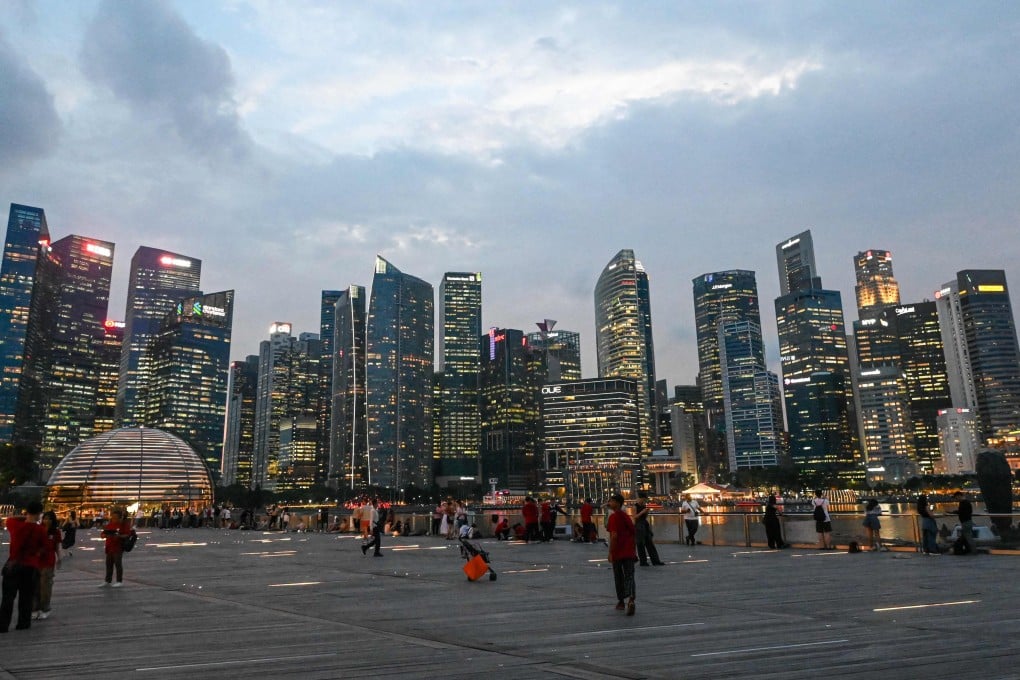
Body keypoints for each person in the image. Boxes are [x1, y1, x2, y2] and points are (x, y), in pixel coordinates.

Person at [1, 500, 47, 632]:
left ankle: (3, 625)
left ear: (27, 511)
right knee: (26, 597)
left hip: (13, 565)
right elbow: (45, 547)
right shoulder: (40, 530)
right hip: (30, 566)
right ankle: (23, 623)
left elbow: (9, 519)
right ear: (39, 513)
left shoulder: (15, 525)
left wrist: (26, 517)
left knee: (8, 598)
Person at [606, 494, 637, 616]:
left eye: (612, 501)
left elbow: (614, 536)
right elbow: (632, 532)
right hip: (629, 551)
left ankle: (621, 601)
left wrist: (610, 552)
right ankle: (631, 599)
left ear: (618, 503)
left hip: (618, 551)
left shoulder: (614, 517)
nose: (609, 503)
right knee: (630, 575)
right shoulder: (626, 516)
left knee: (618, 576)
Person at [34, 510, 62, 620]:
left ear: (53, 520)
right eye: (45, 518)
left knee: (45, 586)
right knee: (35, 585)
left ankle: (45, 608)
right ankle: (35, 608)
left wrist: (60, 558)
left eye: (49, 518)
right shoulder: (38, 529)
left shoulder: (55, 532)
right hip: (36, 560)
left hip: (48, 561)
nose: (47, 520)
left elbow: (58, 546)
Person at [100, 508, 132, 587]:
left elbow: (127, 534)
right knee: (108, 564)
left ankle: (119, 581)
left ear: (120, 518)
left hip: (118, 547)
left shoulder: (123, 524)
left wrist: (119, 536)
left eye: (115, 518)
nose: (113, 519)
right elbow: (103, 534)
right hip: (109, 547)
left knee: (118, 564)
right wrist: (104, 535)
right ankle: (108, 580)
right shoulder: (110, 524)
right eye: (112, 517)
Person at [633, 492, 664, 566]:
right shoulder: (635, 506)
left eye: (644, 499)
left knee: (649, 542)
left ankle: (655, 560)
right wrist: (642, 512)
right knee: (640, 544)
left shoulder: (645, 506)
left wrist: (647, 511)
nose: (644, 501)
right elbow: (635, 517)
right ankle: (643, 561)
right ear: (640, 498)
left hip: (644, 524)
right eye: (643, 499)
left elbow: (645, 516)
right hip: (638, 525)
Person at [949, 491, 975, 555]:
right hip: (967, 522)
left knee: (968, 538)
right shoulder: (965, 502)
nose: (956, 499)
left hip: (966, 522)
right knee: (966, 537)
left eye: (956, 498)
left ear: (959, 496)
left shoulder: (964, 503)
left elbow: (961, 512)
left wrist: (953, 512)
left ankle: (973, 551)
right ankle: (969, 550)